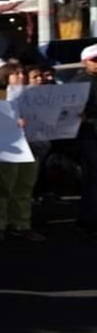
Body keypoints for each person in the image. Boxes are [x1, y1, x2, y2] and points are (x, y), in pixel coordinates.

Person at [0, 63, 46, 242]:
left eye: (22, 72)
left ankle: (21, 224)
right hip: (5, 147)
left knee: (25, 186)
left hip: (30, 145)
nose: (20, 76)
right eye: (15, 73)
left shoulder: (33, 94)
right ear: (5, 76)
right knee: (3, 186)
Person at [74, 44, 97, 239]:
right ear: (84, 62)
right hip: (89, 137)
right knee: (93, 179)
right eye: (94, 60)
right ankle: (87, 222)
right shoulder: (79, 84)